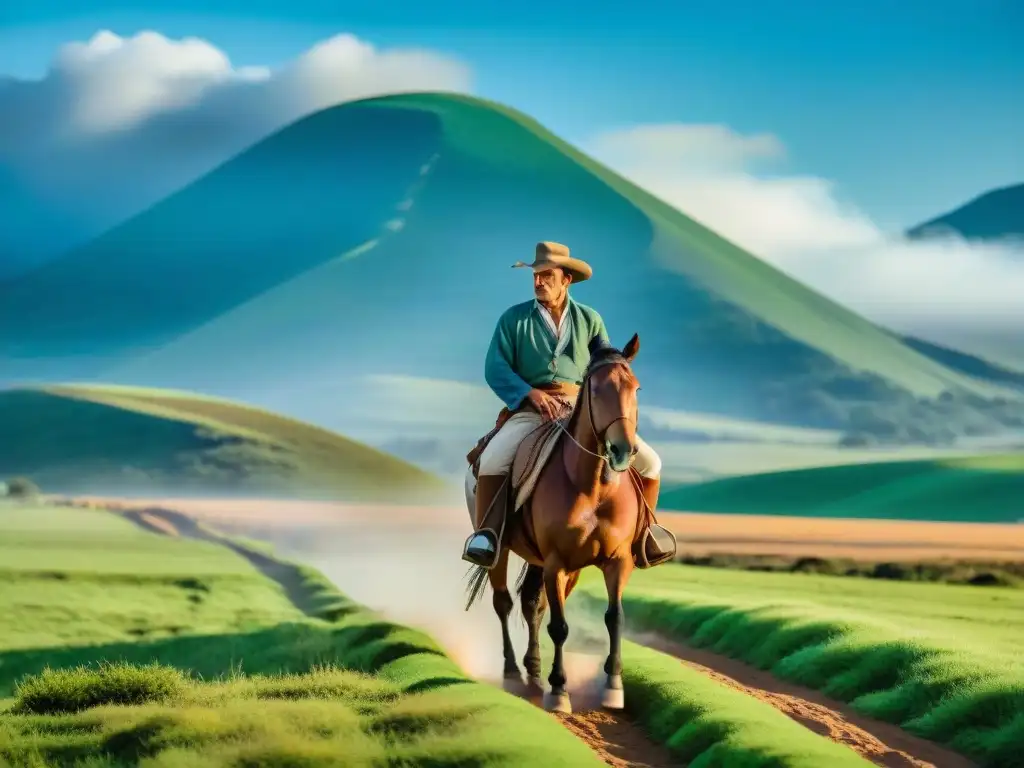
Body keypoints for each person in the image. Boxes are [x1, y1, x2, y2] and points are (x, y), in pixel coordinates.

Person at [462, 241, 675, 570]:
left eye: (547, 275)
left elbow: (605, 366)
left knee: (651, 462)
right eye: (535, 276)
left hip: (579, 411)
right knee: (492, 458)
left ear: (566, 280)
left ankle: (645, 535)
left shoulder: (590, 320)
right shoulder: (513, 320)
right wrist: (528, 394)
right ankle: (488, 537)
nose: (538, 282)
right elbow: (495, 368)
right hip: (530, 410)